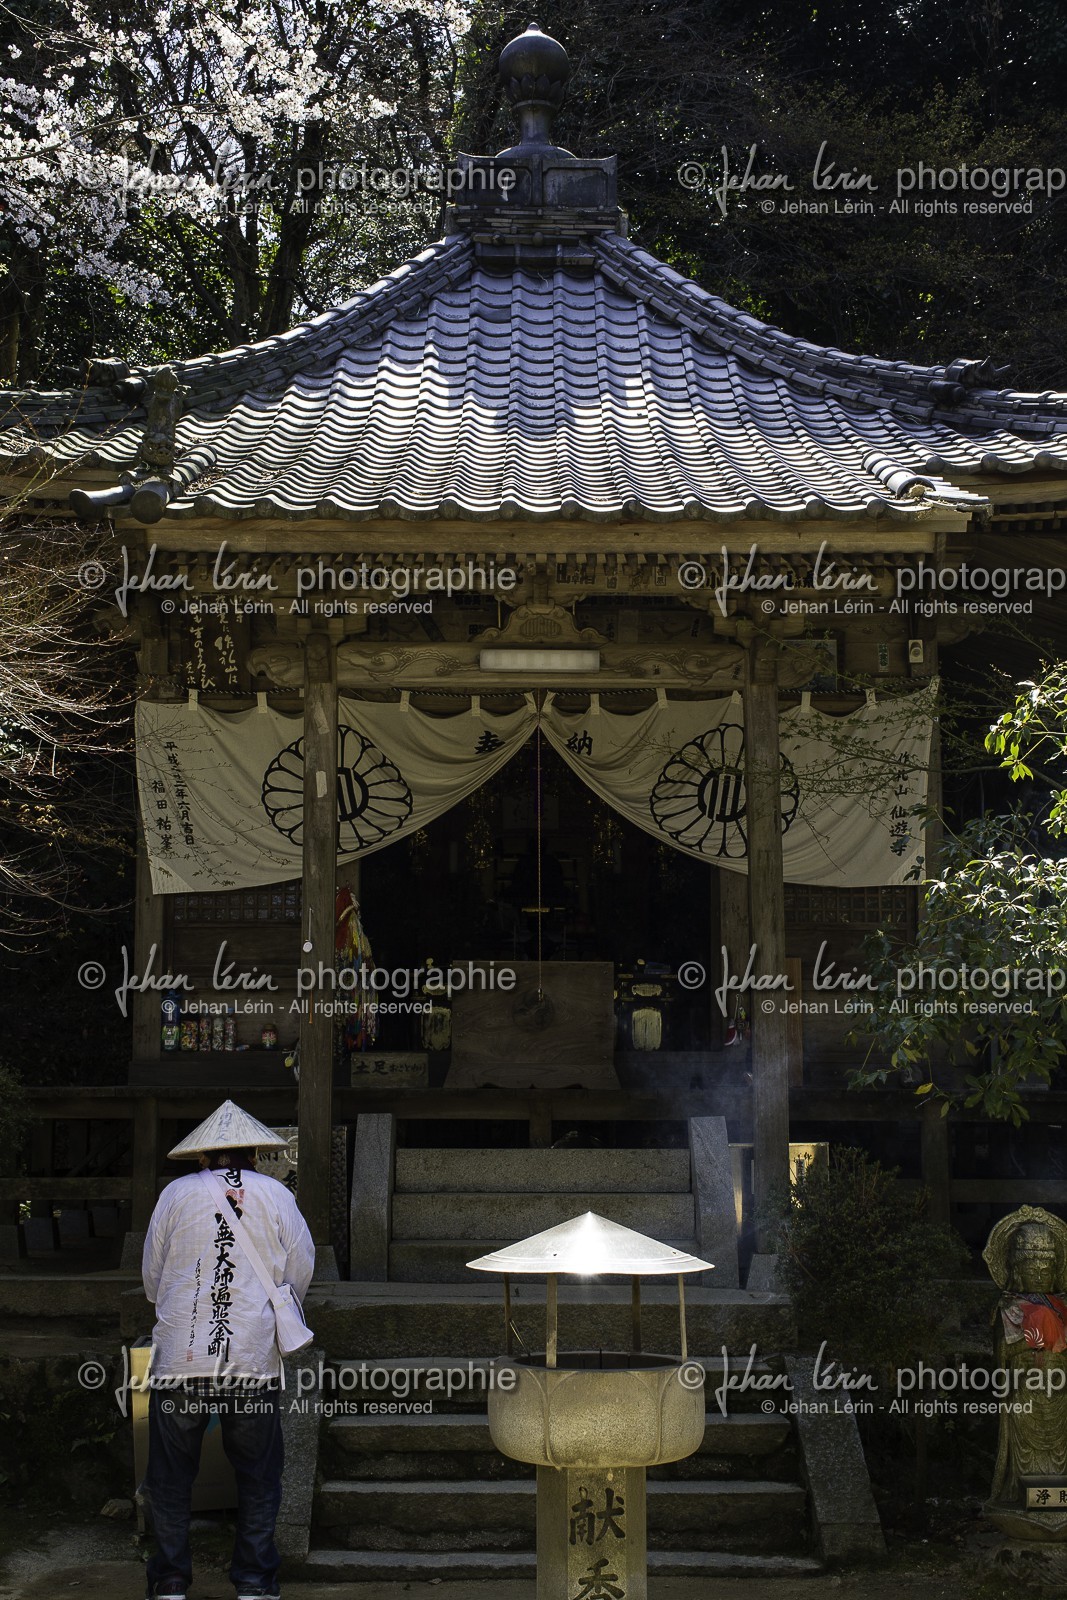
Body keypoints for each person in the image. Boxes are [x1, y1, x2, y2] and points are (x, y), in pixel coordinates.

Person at [140, 1099, 315, 1600]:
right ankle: (255, 1582)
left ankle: (171, 1578)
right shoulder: (276, 1194)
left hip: (181, 1358)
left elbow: (153, 1279)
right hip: (252, 1359)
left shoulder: (175, 1194)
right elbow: (299, 1270)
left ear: (201, 1157)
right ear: (254, 1155)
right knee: (258, 1473)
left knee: (170, 1475)